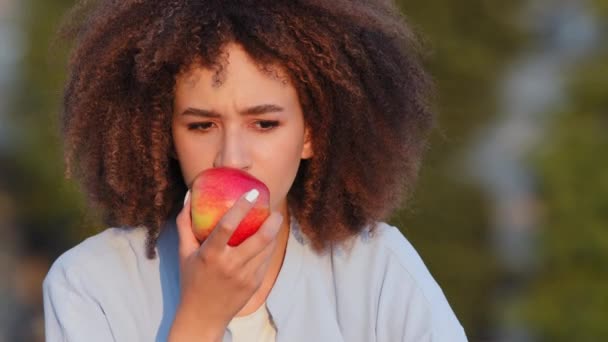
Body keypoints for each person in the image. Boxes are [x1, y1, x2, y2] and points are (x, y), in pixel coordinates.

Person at [43, 1, 468, 341]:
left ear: (311, 135)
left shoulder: (379, 269)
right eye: (201, 125)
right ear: (165, 136)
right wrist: (198, 322)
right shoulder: (88, 285)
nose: (231, 157)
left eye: (264, 124)